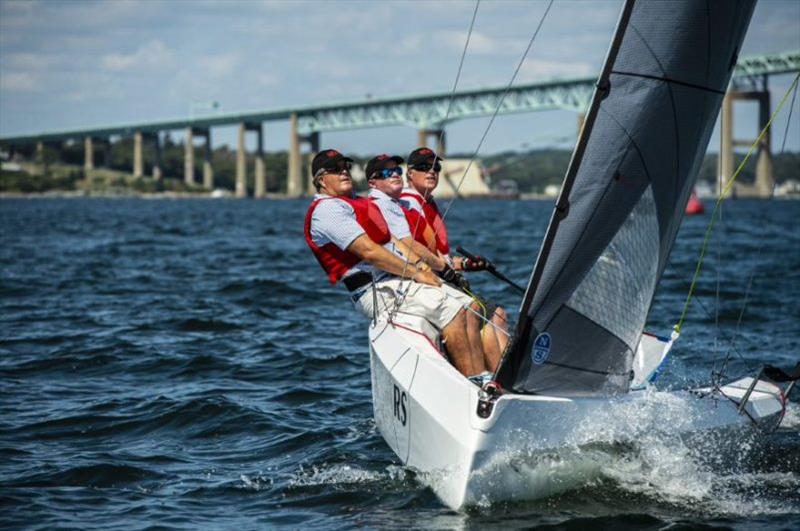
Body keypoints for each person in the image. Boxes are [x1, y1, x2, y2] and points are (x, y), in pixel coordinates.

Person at [304, 149, 487, 379]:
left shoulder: (356, 203)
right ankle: (472, 385)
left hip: (397, 279)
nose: (344, 172)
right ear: (321, 180)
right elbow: (370, 252)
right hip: (375, 289)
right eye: (335, 169)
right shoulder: (327, 210)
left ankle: (483, 379)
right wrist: (416, 274)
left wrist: (421, 267)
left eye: (346, 167)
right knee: (452, 310)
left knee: (470, 308)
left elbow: (393, 241)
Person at [400, 147, 509, 370]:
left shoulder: (428, 203)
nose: (431, 172)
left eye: (436, 167)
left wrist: (467, 264)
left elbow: (440, 257)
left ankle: (504, 378)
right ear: (409, 173)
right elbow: (414, 251)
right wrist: (446, 268)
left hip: (444, 278)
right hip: (429, 283)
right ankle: (496, 379)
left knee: (497, 314)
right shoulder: (408, 205)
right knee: (489, 318)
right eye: (423, 168)